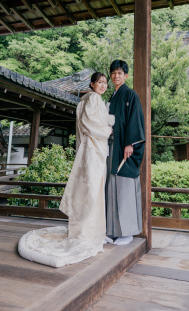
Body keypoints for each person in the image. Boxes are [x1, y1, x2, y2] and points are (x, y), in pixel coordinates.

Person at [17, 72, 114, 267]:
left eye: (105, 83)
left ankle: (87, 231)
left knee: (88, 189)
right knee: (92, 190)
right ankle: (89, 233)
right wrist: (109, 128)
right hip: (93, 149)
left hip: (92, 148)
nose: (103, 86)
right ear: (92, 84)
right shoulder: (93, 99)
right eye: (100, 82)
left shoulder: (87, 100)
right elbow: (91, 124)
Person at [105, 59, 145, 246]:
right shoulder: (111, 97)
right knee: (111, 188)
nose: (116, 76)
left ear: (126, 76)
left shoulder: (130, 94)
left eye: (119, 73)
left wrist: (131, 143)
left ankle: (127, 232)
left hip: (125, 148)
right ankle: (112, 230)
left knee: (124, 188)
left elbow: (135, 119)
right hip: (112, 148)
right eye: (113, 73)